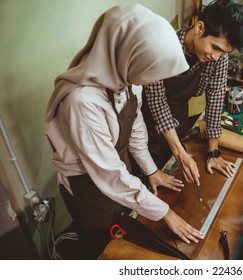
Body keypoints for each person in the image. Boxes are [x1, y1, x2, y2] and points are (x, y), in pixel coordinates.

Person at [45, 4, 203, 259]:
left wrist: (151, 171)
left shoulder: (126, 79)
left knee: (119, 230)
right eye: (153, 71)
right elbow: (109, 174)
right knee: (100, 249)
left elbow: (135, 128)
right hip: (88, 185)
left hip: (114, 172)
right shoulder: (82, 102)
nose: (155, 81)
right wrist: (166, 213)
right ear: (129, 55)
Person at [142, 0, 243, 186]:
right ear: (200, 28)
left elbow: (215, 99)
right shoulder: (162, 49)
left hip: (179, 120)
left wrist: (213, 152)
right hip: (147, 128)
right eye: (215, 47)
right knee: (150, 182)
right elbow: (157, 103)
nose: (216, 57)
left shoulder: (219, 57)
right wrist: (180, 154)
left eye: (224, 53)